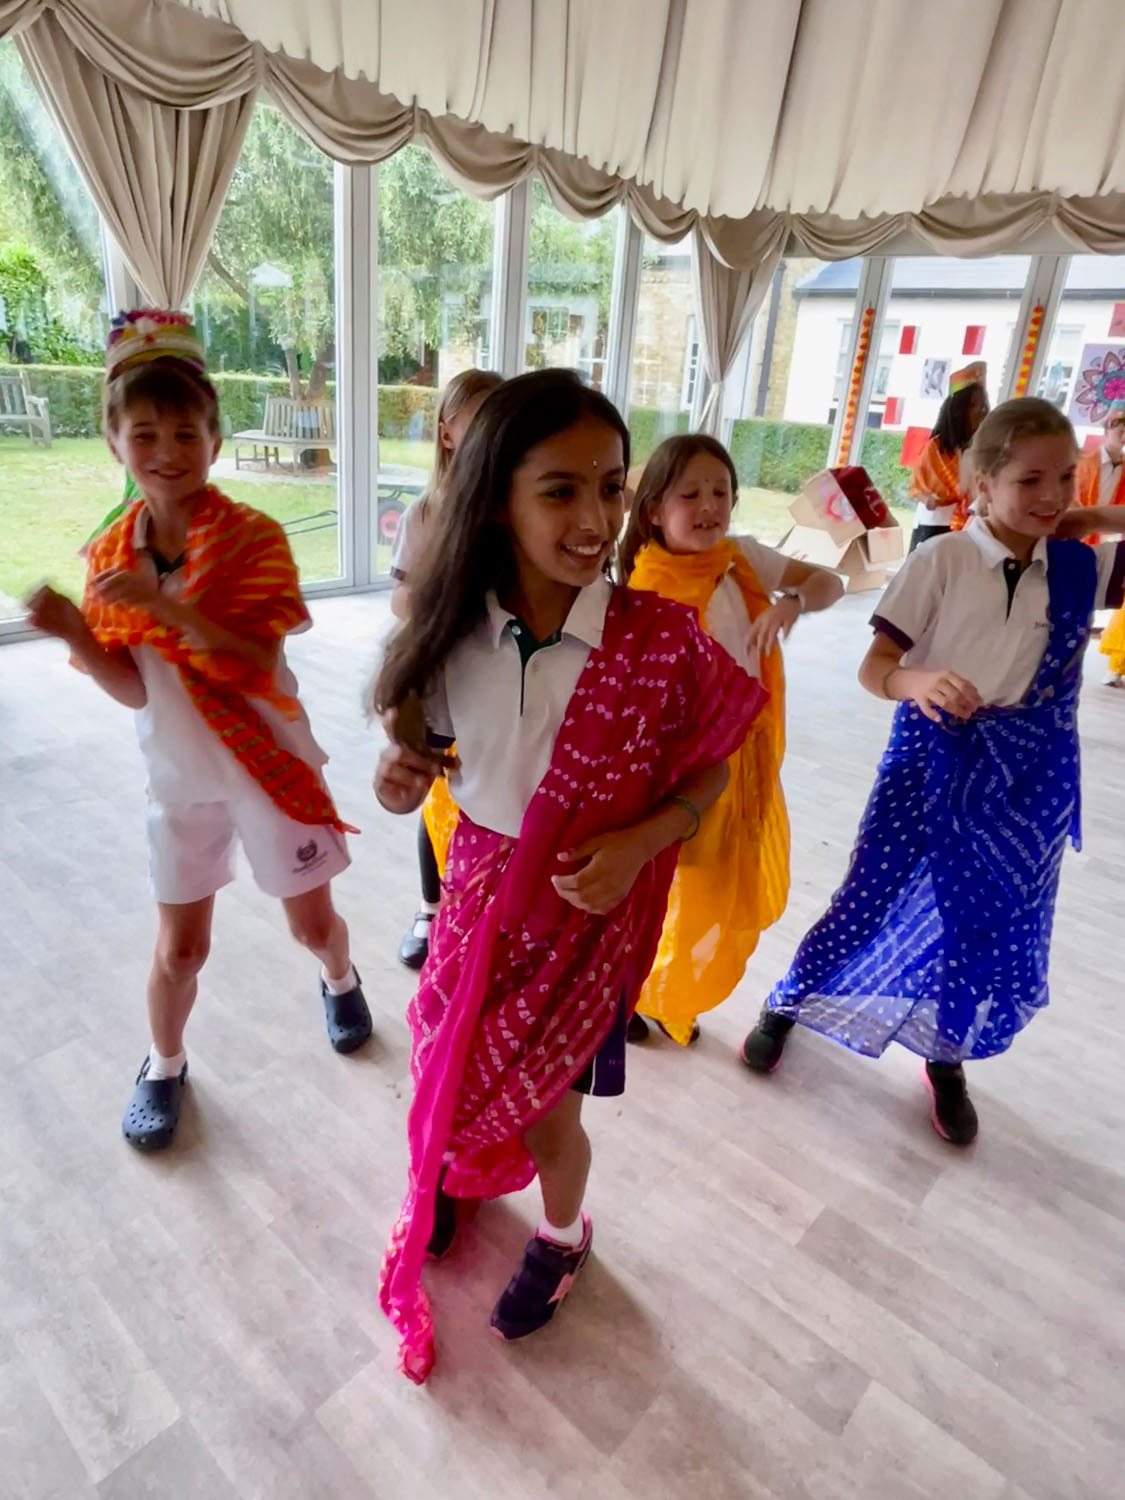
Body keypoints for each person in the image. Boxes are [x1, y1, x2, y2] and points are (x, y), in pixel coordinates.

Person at [372, 369, 764, 1382]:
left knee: (552, 1115)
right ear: (493, 493)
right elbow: (408, 768)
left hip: (586, 924)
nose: (596, 517)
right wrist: (397, 772)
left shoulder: (658, 643)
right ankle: (457, 1175)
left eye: (613, 486)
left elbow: (712, 764)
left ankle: (561, 1234)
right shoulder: (448, 631)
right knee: (444, 1067)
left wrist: (641, 843)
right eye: (561, 490)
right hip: (480, 902)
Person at [25, 309, 370, 1152]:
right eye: (145, 433)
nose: (168, 451)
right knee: (180, 950)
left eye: (187, 431)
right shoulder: (113, 557)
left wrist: (168, 610)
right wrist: (76, 630)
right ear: (114, 442)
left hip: (267, 769)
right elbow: (135, 692)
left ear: (215, 440)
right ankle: (164, 1062)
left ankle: (339, 976)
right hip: (177, 781)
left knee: (310, 925)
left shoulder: (254, 540)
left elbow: (258, 654)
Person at [740, 397, 1125, 1145]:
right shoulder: (940, 559)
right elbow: (874, 666)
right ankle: (786, 1001)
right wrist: (917, 683)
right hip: (930, 756)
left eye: (1065, 479)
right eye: (1028, 480)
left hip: (1027, 778)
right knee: (870, 890)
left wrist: (1085, 520)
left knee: (983, 918)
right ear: (980, 483)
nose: (1049, 497)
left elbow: (1084, 524)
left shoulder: (1077, 565)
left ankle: (945, 1054)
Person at [618, 434, 845, 1046]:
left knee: (717, 879)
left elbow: (832, 582)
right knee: (664, 880)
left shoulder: (742, 557)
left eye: (720, 491)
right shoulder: (638, 590)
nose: (709, 505)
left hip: (744, 755)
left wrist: (793, 602)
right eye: (689, 493)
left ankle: (667, 992)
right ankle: (632, 992)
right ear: (653, 511)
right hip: (675, 766)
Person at [389, 369, 504, 969]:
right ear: (448, 434)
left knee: (487, 791)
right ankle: (431, 908)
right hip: (440, 681)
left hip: (499, 681)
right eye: (474, 417)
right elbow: (401, 600)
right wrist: (449, 600)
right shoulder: (425, 514)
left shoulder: (514, 511)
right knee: (435, 793)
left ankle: (482, 904)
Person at [908, 362, 989, 550]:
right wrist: (927, 499)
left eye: (983, 404)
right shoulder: (936, 447)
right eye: (973, 405)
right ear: (958, 410)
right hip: (935, 522)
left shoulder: (983, 449)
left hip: (969, 523)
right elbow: (918, 487)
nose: (981, 410)